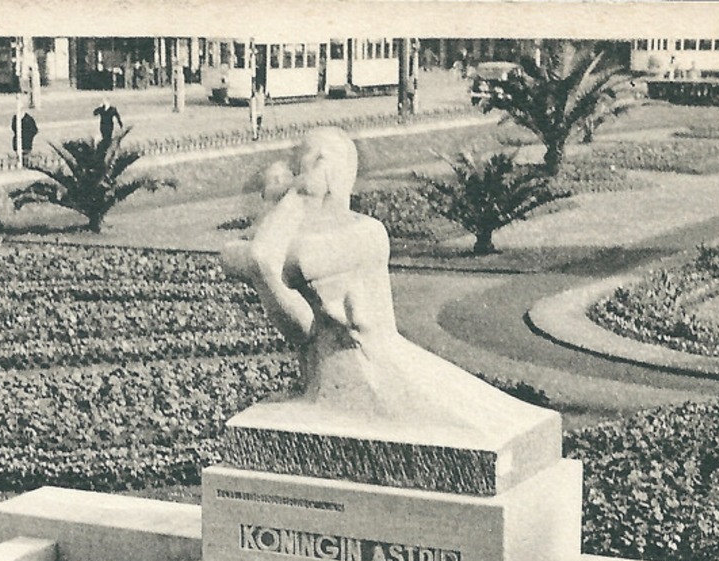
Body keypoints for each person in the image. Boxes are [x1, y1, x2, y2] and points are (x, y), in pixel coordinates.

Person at [221, 126, 532, 432]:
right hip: (328, 384)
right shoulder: (296, 240)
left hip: (375, 373)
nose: (304, 168)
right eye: (302, 161)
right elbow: (264, 276)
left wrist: (296, 197)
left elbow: (269, 258)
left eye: (317, 159)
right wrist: (272, 248)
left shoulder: (365, 234)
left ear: (340, 174)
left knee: (489, 421)